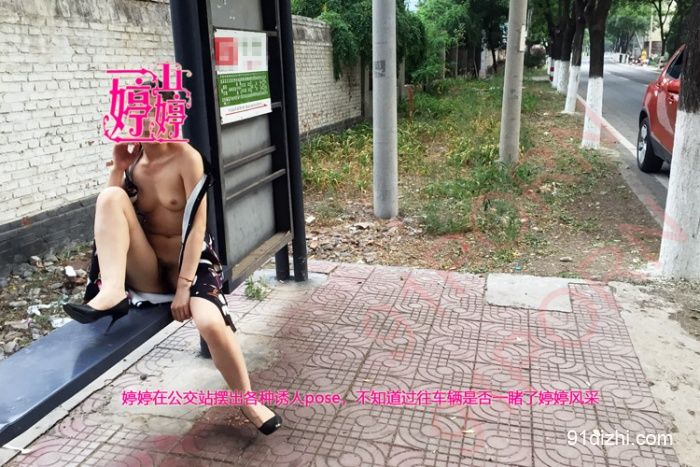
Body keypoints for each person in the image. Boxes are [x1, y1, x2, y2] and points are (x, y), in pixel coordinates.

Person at [62, 83, 282, 435]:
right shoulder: (133, 162)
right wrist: (118, 168)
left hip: (191, 265)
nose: (142, 120)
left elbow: (198, 227)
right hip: (149, 268)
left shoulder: (186, 158)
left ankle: (247, 399)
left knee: (210, 324)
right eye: (135, 112)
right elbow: (112, 217)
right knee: (108, 197)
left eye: (150, 111)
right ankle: (113, 292)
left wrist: (184, 287)